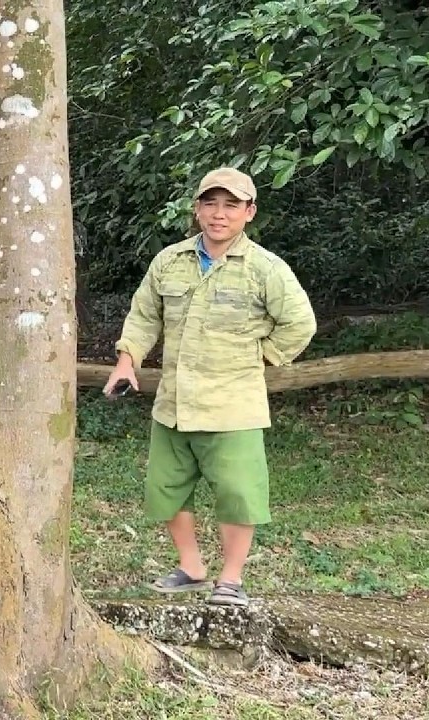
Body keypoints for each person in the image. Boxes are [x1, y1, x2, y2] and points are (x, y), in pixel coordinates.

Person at [104, 166, 316, 607]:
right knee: (165, 490)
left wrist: (263, 357)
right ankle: (192, 568)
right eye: (210, 203)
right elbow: (145, 317)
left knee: (239, 493)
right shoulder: (169, 260)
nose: (219, 214)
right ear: (197, 208)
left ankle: (231, 579)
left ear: (249, 212)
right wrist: (127, 362)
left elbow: (300, 323)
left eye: (231, 205)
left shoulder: (265, 268)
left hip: (233, 405)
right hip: (174, 403)